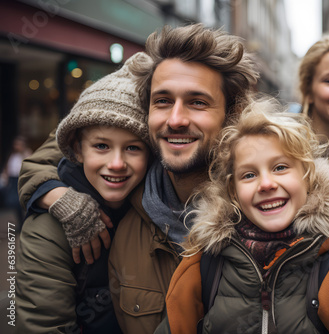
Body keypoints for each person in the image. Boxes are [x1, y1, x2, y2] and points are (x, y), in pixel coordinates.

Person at [17, 23, 259, 333]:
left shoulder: (267, 207)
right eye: (162, 101)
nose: (175, 119)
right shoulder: (128, 217)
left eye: (198, 102)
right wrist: (50, 189)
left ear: (232, 114)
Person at [160, 97, 329, 333]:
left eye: (280, 167)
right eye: (249, 175)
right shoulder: (202, 267)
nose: (266, 184)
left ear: (307, 177)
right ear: (234, 192)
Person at [15, 52, 151, 333]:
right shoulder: (47, 231)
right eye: (101, 146)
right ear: (78, 149)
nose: (116, 163)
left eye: (133, 148)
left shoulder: (157, 210)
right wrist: (56, 196)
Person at [0, 135, 32, 224]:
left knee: (21, 201)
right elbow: (8, 167)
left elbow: (29, 166)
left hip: (21, 179)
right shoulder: (12, 154)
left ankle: (25, 221)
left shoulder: (26, 153)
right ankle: (20, 221)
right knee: (13, 202)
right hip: (12, 180)